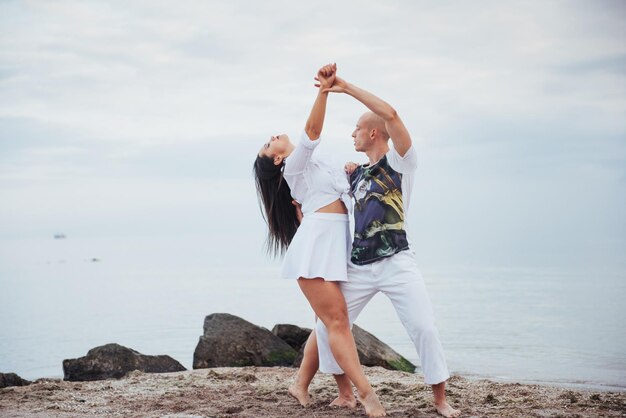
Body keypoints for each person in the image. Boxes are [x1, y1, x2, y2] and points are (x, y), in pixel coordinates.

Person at [291, 72, 462, 418]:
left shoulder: (401, 164)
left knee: (424, 326)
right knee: (328, 327)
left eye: (356, 128)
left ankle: (441, 400)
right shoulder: (353, 173)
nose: (351, 133)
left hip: (398, 261)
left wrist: (345, 87)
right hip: (359, 266)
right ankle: (345, 393)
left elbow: (392, 115)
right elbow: (323, 197)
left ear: (372, 133)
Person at [253, 63, 386, 418]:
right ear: (279, 159)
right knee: (338, 323)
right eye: (269, 144)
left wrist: (352, 172)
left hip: (338, 241)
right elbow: (311, 130)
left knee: (330, 324)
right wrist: (324, 90)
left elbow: (345, 195)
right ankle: (367, 395)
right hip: (315, 247)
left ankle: (307, 385)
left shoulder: (321, 159)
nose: (273, 136)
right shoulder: (294, 166)